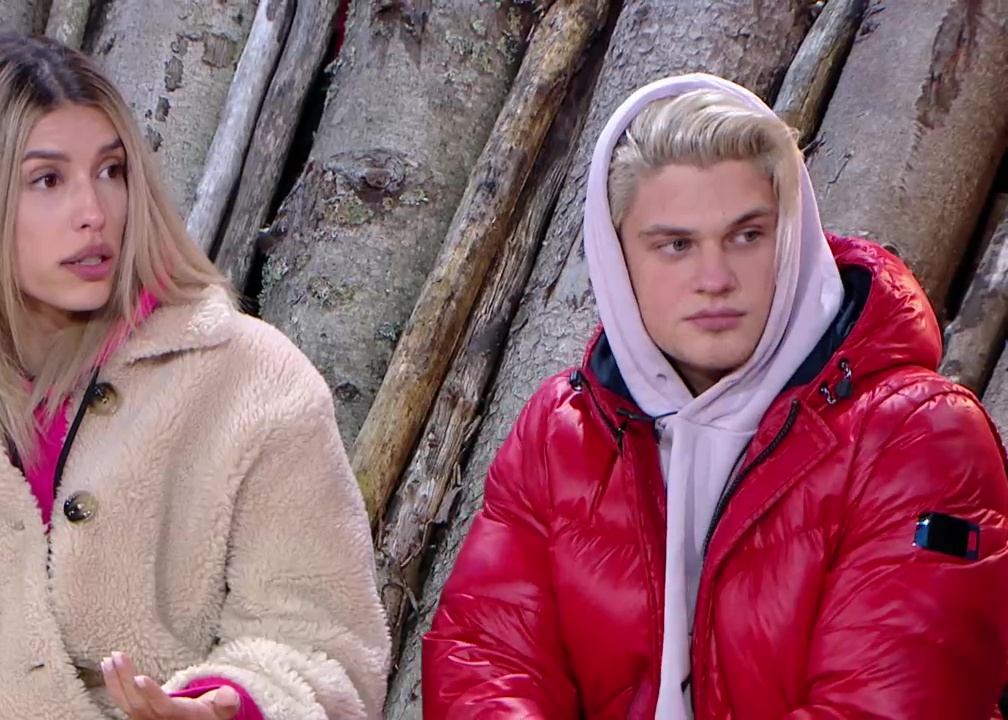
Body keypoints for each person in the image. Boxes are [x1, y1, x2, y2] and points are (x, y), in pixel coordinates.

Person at [0, 33, 388, 720]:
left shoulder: (254, 383)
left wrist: (226, 708)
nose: (94, 212)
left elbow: (323, 645)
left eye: (111, 171)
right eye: (47, 180)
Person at [423, 73, 1008, 718]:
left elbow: (890, 705)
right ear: (617, 259)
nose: (715, 278)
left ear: (792, 238)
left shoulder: (918, 435)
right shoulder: (562, 431)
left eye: (746, 236)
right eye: (676, 245)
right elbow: (485, 652)